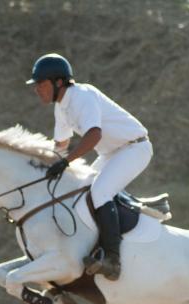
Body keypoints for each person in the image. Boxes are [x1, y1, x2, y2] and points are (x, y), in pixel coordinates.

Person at [27, 53, 153, 281]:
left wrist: (65, 162)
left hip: (135, 148)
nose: (37, 89)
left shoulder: (81, 96)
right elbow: (60, 145)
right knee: (81, 190)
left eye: (41, 84)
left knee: (99, 192)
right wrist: (44, 166)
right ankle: (88, 247)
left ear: (58, 82)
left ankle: (112, 260)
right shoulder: (61, 106)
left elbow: (94, 134)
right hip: (112, 153)